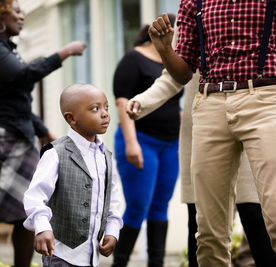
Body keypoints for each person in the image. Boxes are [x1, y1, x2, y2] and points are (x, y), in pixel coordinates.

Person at [148, 0, 276, 265]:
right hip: (210, 101)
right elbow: (183, 72)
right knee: (209, 232)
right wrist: (165, 49)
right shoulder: (194, 2)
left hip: (265, 96)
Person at [0, 1, 86, 266]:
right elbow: (25, 76)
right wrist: (64, 52)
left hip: (15, 137)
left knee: (30, 209)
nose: (21, 15)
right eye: (15, 11)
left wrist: (45, 132)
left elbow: (16, 104)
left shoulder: (5, 50)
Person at [127, 68, 276, 266]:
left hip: (254, 124)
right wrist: (143, 100)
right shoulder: (185, 35)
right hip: (202, 127)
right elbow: (175, 73)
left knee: (258, 221)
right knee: (202, 228)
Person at [23, 83, 123, 267]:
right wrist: (42, 227)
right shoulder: (55, 153)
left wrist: (112, 229)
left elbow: (113, 199)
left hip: (92, 256)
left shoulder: (106, 156)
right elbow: (35, 196)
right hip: (61, 253)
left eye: (106, 107)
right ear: (71, 118)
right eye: (95, 108)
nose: (105, 113)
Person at [111, 17, 183, 267]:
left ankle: (157, 264)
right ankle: (118, 263)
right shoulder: (133, 59)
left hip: (171, 144)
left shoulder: (175, 64)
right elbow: (122, 102)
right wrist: (131, 143)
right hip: (141, 141)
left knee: (160, 206)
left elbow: (174, 103)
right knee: (137, 206)